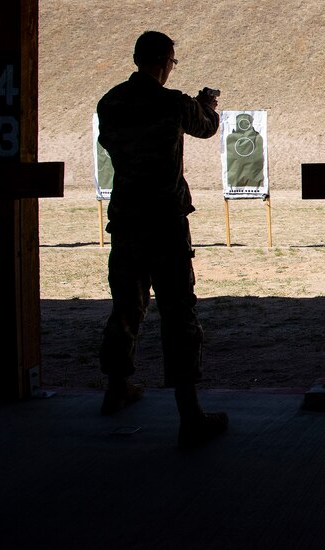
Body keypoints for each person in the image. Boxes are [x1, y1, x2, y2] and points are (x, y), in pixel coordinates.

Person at [96, 30, 229, 448]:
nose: (172, 68)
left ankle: (116, 387)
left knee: (126, 306)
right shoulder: (171, 102)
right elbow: (206, 127)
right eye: (172, 61)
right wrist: (206, 104)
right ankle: (190, 414)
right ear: (163, 61)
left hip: (126, 219)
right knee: (178, 313)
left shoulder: (110, 102)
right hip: (165, 223)